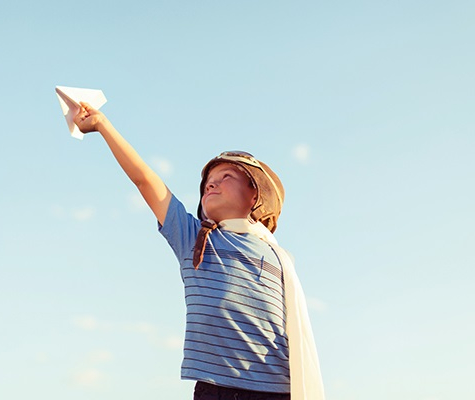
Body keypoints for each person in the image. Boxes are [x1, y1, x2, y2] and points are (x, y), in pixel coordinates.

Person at [72, 101, 323, 400]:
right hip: (214, 389)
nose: (211, 186)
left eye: (226, 177)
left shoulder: (278, 258)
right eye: (207, 184)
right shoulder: (195, 239)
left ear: (255, 193)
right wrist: (102, 125)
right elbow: (145, 180)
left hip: (275, 388)